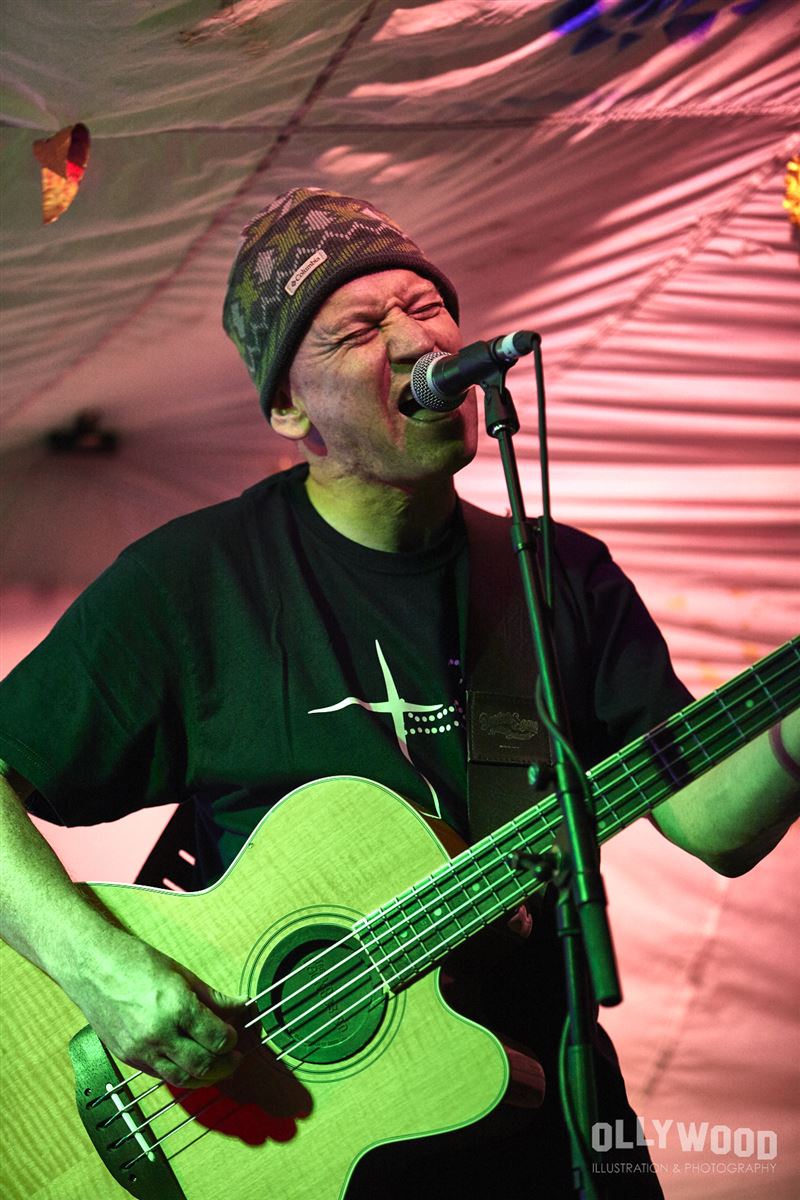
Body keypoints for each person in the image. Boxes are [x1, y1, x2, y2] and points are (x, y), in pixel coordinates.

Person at [1, 187, 798, 1199]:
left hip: (549, 1126)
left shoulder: (560, 577)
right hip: (277, 1144)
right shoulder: (193, 584)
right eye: (360, 330)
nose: (421, 342)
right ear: (288, 409)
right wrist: (102, 973)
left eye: (427, 308)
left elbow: (710, 822)